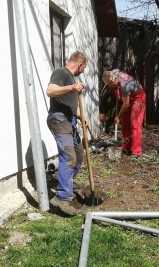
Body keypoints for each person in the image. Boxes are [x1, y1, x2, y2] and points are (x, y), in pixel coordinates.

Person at [46, 51, 88, 215]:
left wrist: (81, 115)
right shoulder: (61, 73)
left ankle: (67, 183)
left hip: (69, 119)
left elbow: (69, 105)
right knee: (68, 156)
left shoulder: (71, 79)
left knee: (78, 156)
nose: (83, 71)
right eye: (84, 68)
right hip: (59, 119)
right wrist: (71, 87)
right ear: (80, 65)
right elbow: (50, 91)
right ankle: (62, 198)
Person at [100, 69, 146, 158]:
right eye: (108, 85)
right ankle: (127, 147)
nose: (110, 86)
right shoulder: (113, 73)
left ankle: (136, 151)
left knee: (135, 124)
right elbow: (115, 70)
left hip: (138, 98)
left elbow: (126, 104)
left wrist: (118, 116)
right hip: (128, 98)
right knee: (125, 124)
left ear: (115, 79)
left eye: (111, 84)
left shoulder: (125, 85)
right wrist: (114, 87)